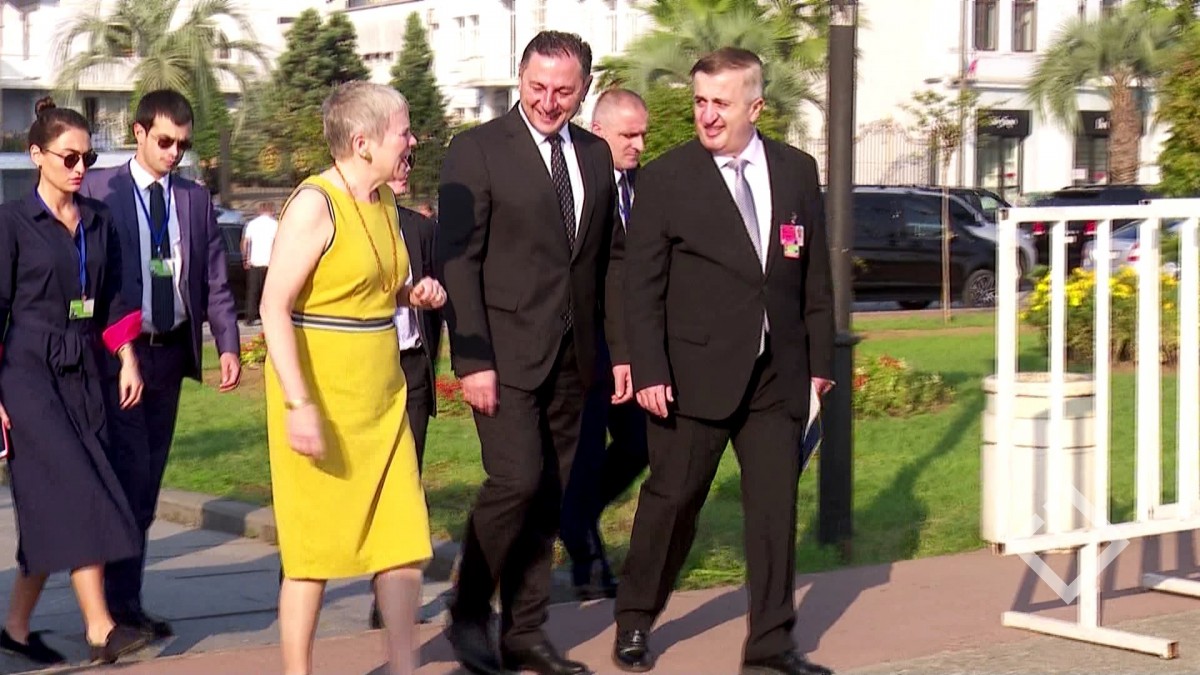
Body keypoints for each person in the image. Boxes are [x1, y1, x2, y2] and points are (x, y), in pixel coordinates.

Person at [612, 48, 835, 675]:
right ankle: (635, 618)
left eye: (721, 103)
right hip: (691, 378)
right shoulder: (666, 178)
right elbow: (640, 288)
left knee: (773, 513)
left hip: (776, 375)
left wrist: (819, 360)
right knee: (673, 501)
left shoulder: (795, 171)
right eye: (700, 101)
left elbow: (814, 275)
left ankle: (771, 645)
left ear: (755, 107)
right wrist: (649, 370)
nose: (708, 115)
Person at [438, 30, 627, 675]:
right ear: (520, 79)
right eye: (537, 87)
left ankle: (525, 631)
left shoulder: (596, 155)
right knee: (516, 480)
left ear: (584, 90)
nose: (548, 102)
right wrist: (472, 360)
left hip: (575, 358)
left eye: (563, 91)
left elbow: (610, 261)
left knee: (551, 492)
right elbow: (458, 260)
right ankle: (468, 611)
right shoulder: (478, 150)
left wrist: (622, 352)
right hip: (503, 355)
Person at [261, 80, 446, 675]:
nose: (412, 142)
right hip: (320, 395)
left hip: (381, 395)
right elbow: (272, 307)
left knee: (401, 541)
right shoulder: (315, 204)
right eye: (403, 132)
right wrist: (299, 404)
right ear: (363, 142)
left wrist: (412, 293)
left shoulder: (384, 200)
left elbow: (372, 285)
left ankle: (403, 666)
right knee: (311, 551)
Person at [81, 89, 242, 640]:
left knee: (147, 483)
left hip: (170, 353)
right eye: (166, 141)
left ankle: (125, 602)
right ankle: (111, 609)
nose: (175, 153)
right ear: (140, 132)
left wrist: (227, 343)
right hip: (119, 357)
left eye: (183, 145)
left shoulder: (194, 199)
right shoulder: (101, 190)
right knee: (128, 477)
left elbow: (215, 279)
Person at [0, 98, 150, 665]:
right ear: (36, 155)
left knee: (49, 508)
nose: (80, 168)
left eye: (88, 157)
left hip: (83, 368)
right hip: (27, 374)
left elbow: (112, 299)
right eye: (69, 157)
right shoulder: (11, 223)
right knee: (81, 488)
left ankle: (15, 629)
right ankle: (99, 628)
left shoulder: (98, 220)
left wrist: (127, 356)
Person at [560, 87, 650, 601]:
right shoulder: (576, 184)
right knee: (587, 451)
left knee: (640, 444)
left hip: (634, 343)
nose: (639, 145)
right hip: (587, 341)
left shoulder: (647, 187)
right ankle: (587, 561)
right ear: (599, 132)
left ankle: (575, 516)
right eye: (628, 135)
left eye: (643, 135)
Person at [366, 156, 443, 631]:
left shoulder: (421, 229)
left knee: (405, 484)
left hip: (411, 366)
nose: (406, 168)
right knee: (354, 486)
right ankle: (299, 579)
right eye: (399, 158)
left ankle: (388, 599)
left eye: (410, 161)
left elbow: (441, 294)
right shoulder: (347, 222)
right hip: (362, 372)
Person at [241, 201, 278, 326]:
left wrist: (245, 258)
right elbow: (277, 242)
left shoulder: (252, 224)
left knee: (253, 291)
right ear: (271, 210)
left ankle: (251, 317)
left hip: (255, 261)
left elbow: (245, 243)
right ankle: (269, 316)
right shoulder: (275, 224)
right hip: (270, 262)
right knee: (269, 292)